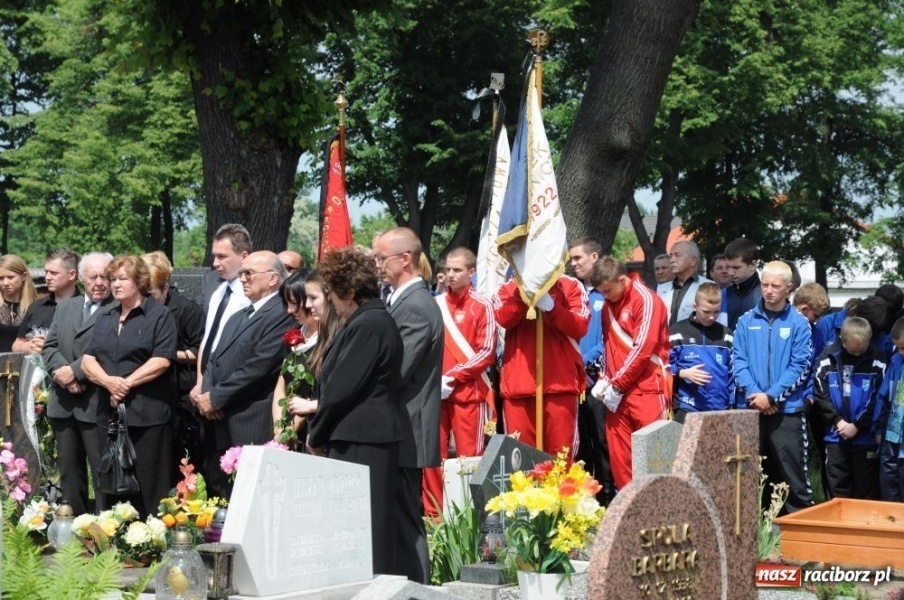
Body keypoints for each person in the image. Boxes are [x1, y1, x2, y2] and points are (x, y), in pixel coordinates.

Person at [307, 246, 404, 576]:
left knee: (364, 529)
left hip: (362, 439)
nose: (330, 301)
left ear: (349, 291)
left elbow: (340, 390)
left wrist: (315, 434)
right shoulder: (371, 320)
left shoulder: (368, 325)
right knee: (362, 527)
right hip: (364, 436)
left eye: (332, 293)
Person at [81, 254, 178, 517]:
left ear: (140, 281)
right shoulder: (105, 315)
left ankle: (151, 544)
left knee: (149, 485)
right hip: (109, 417)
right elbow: (88, 359)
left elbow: (161, 359)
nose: (115, 284)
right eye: (113, 279)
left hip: (147, 416)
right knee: (112, 485)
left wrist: (125, 384)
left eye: (122, 278)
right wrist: (108, 383)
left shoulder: (160, 315)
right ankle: (116, 543)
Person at [195, 252, 296, 496]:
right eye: (241, 273)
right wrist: (207, 394)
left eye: (248, 273)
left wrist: (217, 398)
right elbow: (214, 360)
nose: (242, 279)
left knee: (250, 497)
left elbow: (259, 367)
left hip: (249, 419)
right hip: (219, 418)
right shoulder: (239, 315)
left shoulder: (282, 314)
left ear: (273, 279)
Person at [375, 227, 443, 584]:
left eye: (380, 258)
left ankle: (418, 588)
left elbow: (397, 371)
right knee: (399, 518)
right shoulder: (402, 300)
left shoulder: (415, 306)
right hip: (399, 426)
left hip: (406, 429)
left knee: (406, 520)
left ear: (405, 259)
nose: (377, 266)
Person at [733, 261, 813, 513]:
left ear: (788, 288)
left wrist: (771, 396)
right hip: (751, 409)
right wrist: (756, 395)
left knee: (793, 477)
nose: (768, 290)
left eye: (775, 286)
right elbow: (738, 362)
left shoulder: (799, 323)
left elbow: (800, 367)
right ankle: (755, 536)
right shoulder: (745, 321)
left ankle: (801, 541)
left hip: (787, 411)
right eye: (764, 284)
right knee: (748, 477)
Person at [422, 247, 496, 515]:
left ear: (471, 272)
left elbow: (487, 351)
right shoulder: (434, 303)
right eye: (448, 270)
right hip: (435, 393)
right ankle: (434, 518)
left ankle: (470, 520)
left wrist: (451, 377)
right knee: (432, 457)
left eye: (457, 270)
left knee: (469, 459)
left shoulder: (482, 305)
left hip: (468, 393)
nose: (450, 275)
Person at [41, 252, 114, 515]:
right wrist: (61, 371)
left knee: (101, 472)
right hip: (64, 403)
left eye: (105, 276)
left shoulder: (117, 309)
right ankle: (74, 528)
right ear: (81, 278)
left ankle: (105, 529)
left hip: (95, 403)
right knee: (69, 473)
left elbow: (107, 349)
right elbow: (49, 346)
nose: (99, 282)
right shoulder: (66, 306)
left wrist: (74, 372)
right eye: (93, 276)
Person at [589, 256, 670, 490]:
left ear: (622, 280)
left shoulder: (646, 300)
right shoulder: (607, 306)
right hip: (617, 394)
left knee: (653, 456)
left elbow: (644, 348)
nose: (605, 297)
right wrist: (605, 378)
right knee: (620, 457)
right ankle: (628, 511)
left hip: (646, 389)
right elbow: (608, 346)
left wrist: (616, 384)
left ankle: (657, 514)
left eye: (607, 290)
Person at [495, 270, 588, 458]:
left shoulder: (570, 285)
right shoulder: (508, 288)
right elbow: (503, 318)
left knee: (561, 456)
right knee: (520, 458)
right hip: (518, 384)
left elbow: (580, 326)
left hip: (559, 383)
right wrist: (524, 296)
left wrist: (552, 308)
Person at [190, 224, 252, 487]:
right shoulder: (218, 291)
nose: (215, 263)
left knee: (231, 478)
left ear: (244, 256)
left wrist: (216, 395)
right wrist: (200, 383)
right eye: (214, 256)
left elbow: (241, 353)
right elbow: (208, 341)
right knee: (210, 472)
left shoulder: (248, 295)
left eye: (222, 256)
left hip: (229, 400)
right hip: (207, 393)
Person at [143, 251, 205, 474]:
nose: (145, 301)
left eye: (150, 295)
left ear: (165, 287)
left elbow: (202, 351)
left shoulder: (188, 310)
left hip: (180, 396)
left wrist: (166, 354)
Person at [813, 316, 885, 499]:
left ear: (868, 341)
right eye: (853, 350)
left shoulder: (878, 361)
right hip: (836, 434)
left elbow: (878, 398)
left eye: (861, 350)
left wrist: (857, 426)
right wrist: (838, 421)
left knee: (865, 489)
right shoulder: (827, 358)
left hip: (865, 436)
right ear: (843, 341)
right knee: (837, 489)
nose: (857, 353)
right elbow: (821, 394)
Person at [568, 236, 612, 501]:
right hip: (573, 379)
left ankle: (608, 495)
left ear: (594, 257)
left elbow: (611, 339)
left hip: (598, 380)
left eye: (578, 258)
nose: (573, 264)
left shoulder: (606, 293)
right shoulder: (571, 291)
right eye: (571, 259)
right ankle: (585, 498)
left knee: (603, 441)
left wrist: (585, 359)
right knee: (580, 441)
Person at [668, 283, 734, 423]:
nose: (711, 317)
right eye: (706, 312)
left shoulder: (726, 335)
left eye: (716, 312)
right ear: (694, 306)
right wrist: (682, 373)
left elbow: (733, 374)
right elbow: (662, 368)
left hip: (720, 408)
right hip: (687, 407)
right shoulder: (676, 331)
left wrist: (732, 403)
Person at [13, 248, 79, 354]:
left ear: (71, 274)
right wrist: (28, 346)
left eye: (53, 273)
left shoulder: (86, 307)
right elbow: (17, 344)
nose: (47, 277)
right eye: (46, 272)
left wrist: (52, 347)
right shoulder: (36, 307)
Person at [877, 317, 904, 501]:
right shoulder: (895, 362)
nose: (901, 352)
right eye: (898, 348)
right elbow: (883, 396)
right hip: (892, 434)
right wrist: (879, 428)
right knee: (888, 481)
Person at [657, 240, 712, 326]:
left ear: (693, 260)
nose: (671, 260)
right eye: (670, 256)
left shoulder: (709, 287)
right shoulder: (661, 289)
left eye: (677, 255)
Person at [721, 238, 762, 330]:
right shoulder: (722, 295)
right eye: (728, 267)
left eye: (736, 267)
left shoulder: (766, 297)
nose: (730, 272)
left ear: (753, 265)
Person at [0, 254, 37, 327]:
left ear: (24, 276)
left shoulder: (37, 307)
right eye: (1, 278)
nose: (5, 283)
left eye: (10, 277)